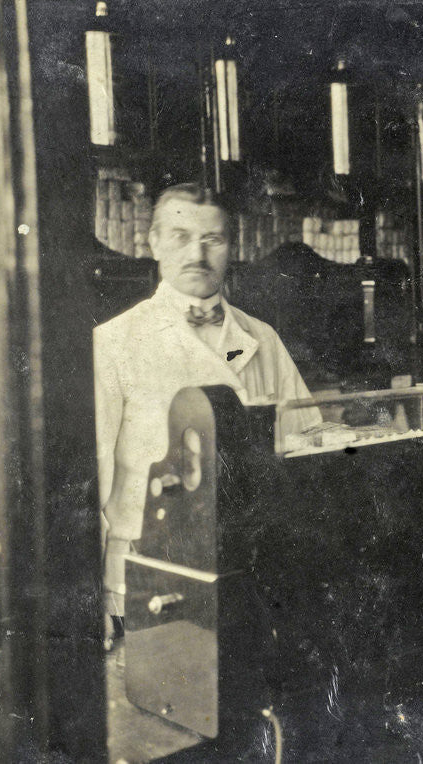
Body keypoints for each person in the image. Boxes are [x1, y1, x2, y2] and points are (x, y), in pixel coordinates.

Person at [94, 183, 319, 643]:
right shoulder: (115, 342)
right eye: (180, 236)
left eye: (212, 239)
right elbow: (90, 479)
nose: (197, 253)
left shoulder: (261, 339)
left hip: (248, 570)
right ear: (153, 242)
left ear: (230, 248)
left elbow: (306, 443)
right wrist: (92, 601)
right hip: (149, 574)